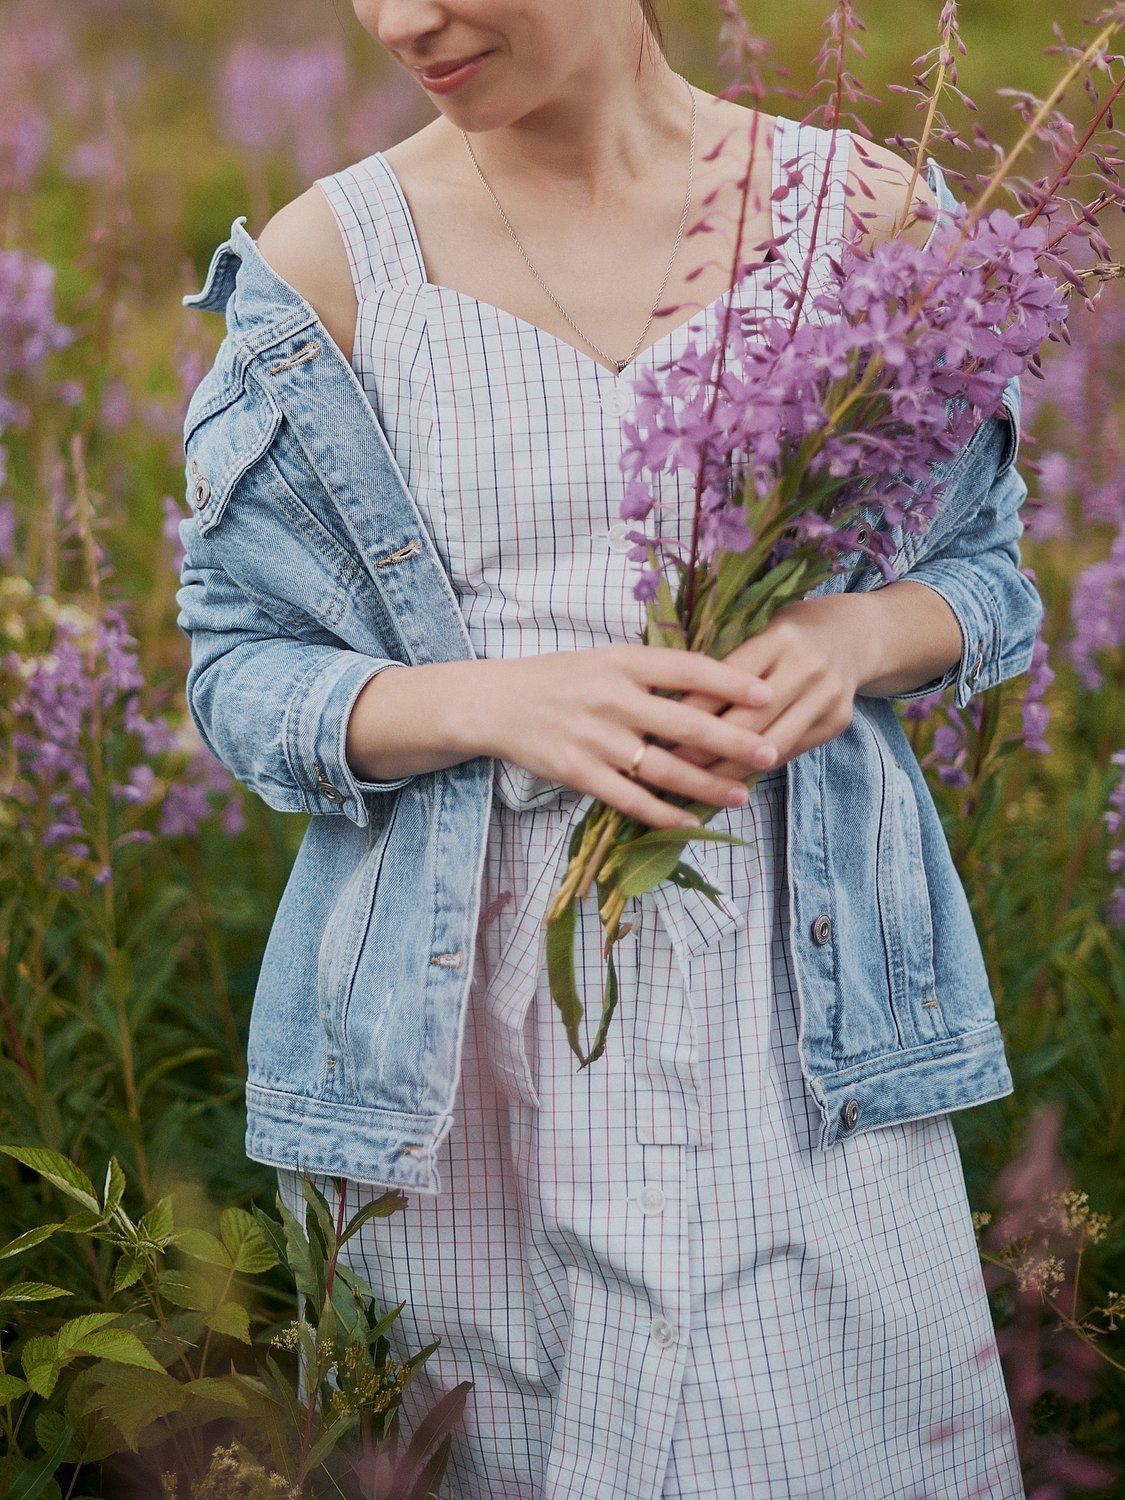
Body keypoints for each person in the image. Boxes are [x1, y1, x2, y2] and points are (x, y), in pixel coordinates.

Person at [177, 1, 1038, 1495]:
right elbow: (238, 665)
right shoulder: (336, 262)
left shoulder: (870, 219)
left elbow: (987, 580)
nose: (401, 22)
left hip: (803, 1036)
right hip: (462, 1066)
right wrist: (485, 703)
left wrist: (855, 639)